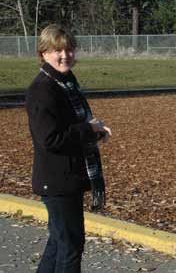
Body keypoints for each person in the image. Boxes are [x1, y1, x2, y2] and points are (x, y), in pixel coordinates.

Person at [25, 24, 112, 273]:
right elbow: (50, 139)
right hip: (57, 181)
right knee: (71, 246)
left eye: (70, 49)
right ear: (43, 53)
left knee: (59, 241)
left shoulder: (65, 83)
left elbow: (72, 126)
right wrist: (88, 130)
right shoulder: (43, 89)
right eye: (57, 50)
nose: (65, 55)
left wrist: (94, 132)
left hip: (67, 178)